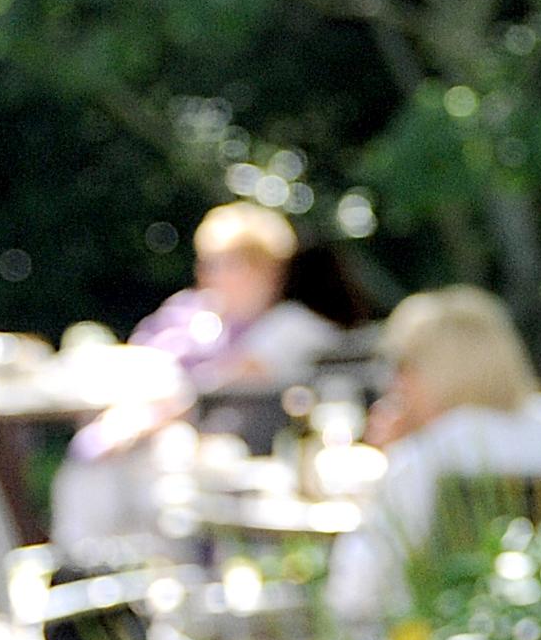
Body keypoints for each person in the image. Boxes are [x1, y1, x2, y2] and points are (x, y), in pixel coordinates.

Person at [49, 203, 338, 559]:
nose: (208, 276)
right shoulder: (192, 319)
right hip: (167, 443)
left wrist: (153, 413)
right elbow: (142, 362)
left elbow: (215, 383)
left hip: (242, 456)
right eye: (206, 263)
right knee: (103, 461)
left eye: (224, 264)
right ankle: (85, 567)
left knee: (163, 465)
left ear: (267, 269)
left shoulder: (291, 327)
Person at [325, 287, 541, 627]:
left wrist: (391, 462)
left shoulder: (427, 456)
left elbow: (354, 594)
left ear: (434, 371)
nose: (395, 383)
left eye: (403, 366)